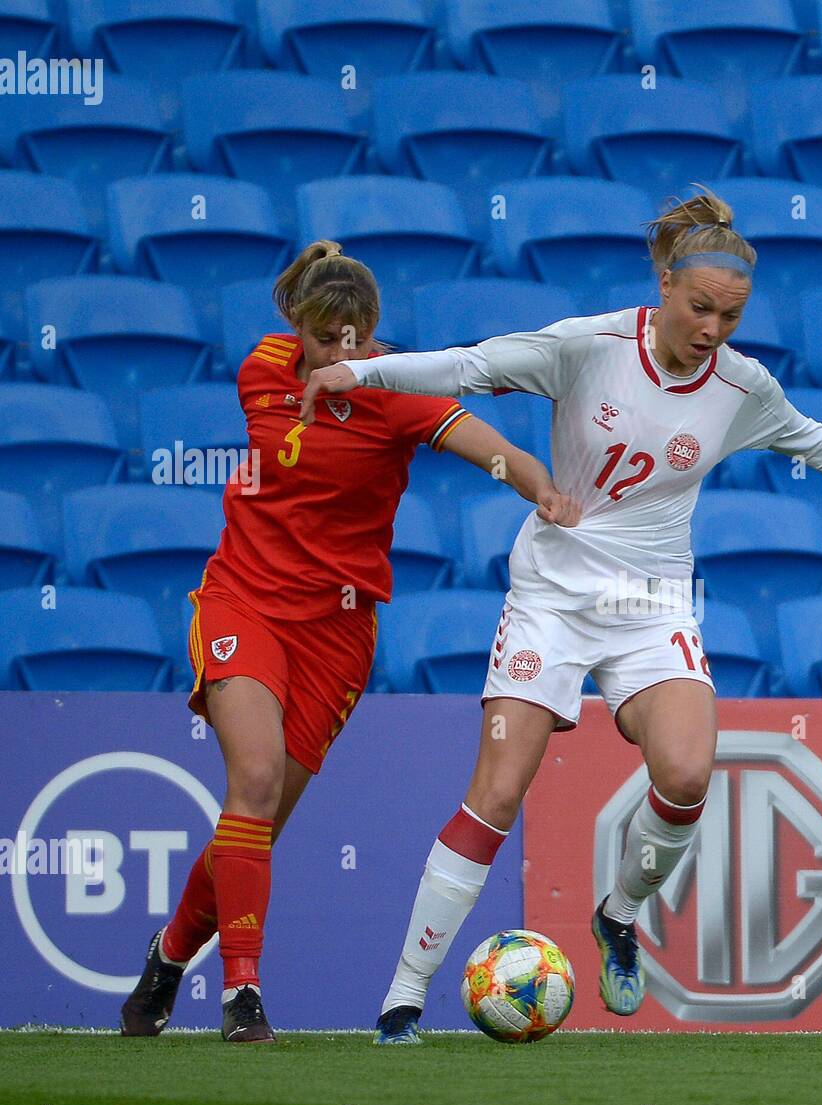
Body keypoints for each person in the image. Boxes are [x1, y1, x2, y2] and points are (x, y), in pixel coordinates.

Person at [300, 188, 822, 1044]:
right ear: (665, 283)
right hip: (553, 598)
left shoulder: (742, 389)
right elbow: (466, 364)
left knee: (685, 774)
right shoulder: (586, 347)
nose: (714, 329)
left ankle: (616, 915)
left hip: (649, 605)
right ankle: (404, 998)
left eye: (732, 315)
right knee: (496, 790)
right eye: (700, 307)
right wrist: (361, 371)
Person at [120, 240, 576, 1043]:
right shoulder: (262, 367)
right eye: (326, 337)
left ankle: (166, 956)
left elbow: (487, 447)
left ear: (374, 331)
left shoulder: (399, 387)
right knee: (253, 781)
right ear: (297, 326)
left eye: (356, 337)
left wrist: (540, 488)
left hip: (337, 631)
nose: (341, 353)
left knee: (257, 819)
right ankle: (243, 995)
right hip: (243, 604)